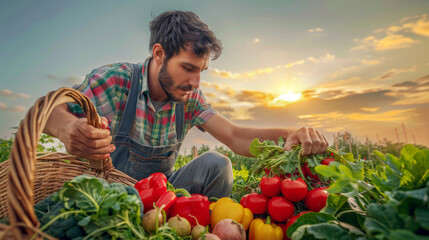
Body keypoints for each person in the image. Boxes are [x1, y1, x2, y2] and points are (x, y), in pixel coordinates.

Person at [44, 10, 328, 198]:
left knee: (217, 164)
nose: (195, 82)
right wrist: (69, 127)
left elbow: (236, 137)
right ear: (159, 54)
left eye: (201, 71)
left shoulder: (188, 99)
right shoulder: (116, 80)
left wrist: (292, 133)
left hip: (159, 199)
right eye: (188, 67)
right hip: (103, 198)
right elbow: (46, 111)